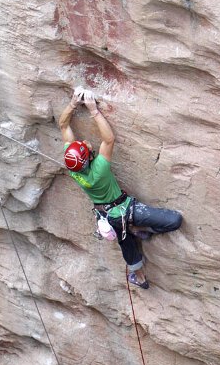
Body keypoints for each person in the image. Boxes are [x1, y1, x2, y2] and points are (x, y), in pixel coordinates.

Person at [58, 89, 182, 289]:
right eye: (86, 147)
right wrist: (94, 110)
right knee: (174, 220)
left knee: (127, 244)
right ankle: (141, 227)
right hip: (125, 210)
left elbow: (63, 124)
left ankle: (140, 278)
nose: (86, 144)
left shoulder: (74, 166)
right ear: (90, 158)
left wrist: (73, 104)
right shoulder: (99, 169)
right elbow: (109, 140)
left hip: (107, 217)